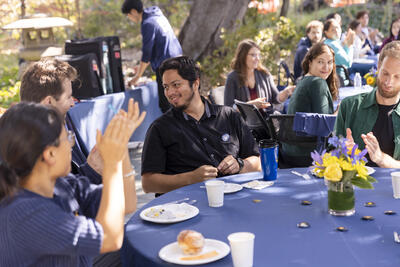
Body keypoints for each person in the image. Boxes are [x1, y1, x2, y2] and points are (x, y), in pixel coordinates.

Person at [0, 100, 145, 265]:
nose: (71, 143)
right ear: (50, 154)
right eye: (67, 137)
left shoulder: (62, 184)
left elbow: (126, 203)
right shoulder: (23, 213)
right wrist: (111, 163)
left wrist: (120, 148)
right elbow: (110, 238)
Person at [141, 56, 261, 194]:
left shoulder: (229, 116)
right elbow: (148, 184)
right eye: (166, 87)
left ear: (195, 83)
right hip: (184, 209)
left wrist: (240, 165)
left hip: (234, 200)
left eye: (176, 85)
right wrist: (190, 178)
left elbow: (258, 162)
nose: (169, 93)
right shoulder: (160, 128)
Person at [20, 58, 103, 184]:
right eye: (69, 97)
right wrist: (92, 171)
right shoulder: (29, 146)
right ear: (49, 102)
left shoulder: (53, 129)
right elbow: (60, 197)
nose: (72, 103)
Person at [335, 41, 400, 168]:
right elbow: (332, 156)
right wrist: (344, 153)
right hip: (354, 185)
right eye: (385, 73)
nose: (388, 82)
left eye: (397, 76)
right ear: (378, 66)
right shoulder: (349, 107)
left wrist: (381, 159)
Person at [283, 43, 338, 167]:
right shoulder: (317, 83)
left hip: (291, 152)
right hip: (307, 154)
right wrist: (340, 111)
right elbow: (326, 127)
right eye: (320, 62)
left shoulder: (304, 81)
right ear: (310, 62)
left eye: (330, 62)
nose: (326, 67)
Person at [121, 0, 182, 113]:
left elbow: (147, 54)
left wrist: (137, 77)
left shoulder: (147, 23)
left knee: (167, 105)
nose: (129, 18)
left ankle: (175, 130)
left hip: (167, 67)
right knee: (178, 102)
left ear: (133, 11)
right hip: (179, 62)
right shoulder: (158, 16)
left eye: (128, 15)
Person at [224, 39, 295, 112]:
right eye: (253, 55)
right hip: (242, 122)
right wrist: (251, 105)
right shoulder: (232, 78)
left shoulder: (264, 74)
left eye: (258, 55)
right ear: (243, 56)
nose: (257, 58)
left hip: (265, 120)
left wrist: (286, 92)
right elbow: (228, 108)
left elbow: (276, 98)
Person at [324, 18, 354, 85]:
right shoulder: (333, 44)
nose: (336, 31)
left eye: (337, 28)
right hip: (340, 80)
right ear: (326, 32)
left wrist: (346, 44)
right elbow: (348, 63)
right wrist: (349, 45)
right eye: (332, 30)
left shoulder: (327, 42)